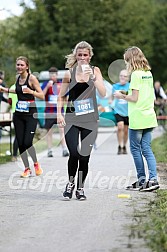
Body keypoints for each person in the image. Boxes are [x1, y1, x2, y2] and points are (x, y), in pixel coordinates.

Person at [57, 41, 106, 200]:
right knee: (74, 153)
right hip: (71, 118)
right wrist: (59, 114)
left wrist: (94, 78)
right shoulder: (69, 73)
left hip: (90, 120)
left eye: (85, 55)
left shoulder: (95, 70)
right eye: (80, 55)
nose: (83, 58)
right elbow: (61, 96)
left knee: (85, 156)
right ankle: (70, 183)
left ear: (90, 56)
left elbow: (103, 93)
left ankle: (80, 188)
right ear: (76, 56)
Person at [114, 46, 159, 192]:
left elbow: (134, 98)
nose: (126, 64)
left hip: (138, 117)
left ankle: (141, 180)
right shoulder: (148, 73)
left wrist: (121, 96)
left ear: (130, 60)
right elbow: (145, 94)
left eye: (127, 60)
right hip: (149, 116)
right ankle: (153, 179)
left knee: (135, 149)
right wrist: (126, 92)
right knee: (147, 148)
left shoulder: (135, 75)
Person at [0, 56, 44, 178]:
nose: (19, 67)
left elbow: (41, 95)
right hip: (18, 114)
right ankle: (26, 168)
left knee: (27, 142)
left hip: (31, 114)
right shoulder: (18, 78)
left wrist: (32, 92)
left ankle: (35, 163)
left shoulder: (32, 79)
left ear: (27, 66)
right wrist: (5, 89)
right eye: (18, 65)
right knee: (20, 142)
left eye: (21, 65)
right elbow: (18, 91)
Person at [41, 67, 69, 157]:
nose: (52, 76)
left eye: (54, 74)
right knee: (49, 131)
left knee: (62, 130)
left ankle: (64, 149)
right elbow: (41, 95)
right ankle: (50, 150)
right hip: (49, 111)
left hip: (59, 111)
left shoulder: (61, 84)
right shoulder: (46, 83)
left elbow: (66, 96)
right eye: (50, 75)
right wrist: (47, 87)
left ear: (57, 75)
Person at [111, 69, 130, 154]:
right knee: (120, 127)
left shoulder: (130, 86)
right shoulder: (115, 86)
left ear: (128, 78)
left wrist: (122, 95)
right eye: (121, 76)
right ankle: (120, 145)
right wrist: (110, 101)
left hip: (128, 111)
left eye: (125, 76)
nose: (122, 77)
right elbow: (112, 97)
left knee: (126, 130)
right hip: (118, 110)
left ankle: (125, 145)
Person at [8, 82, 19, 161]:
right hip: (24, 112)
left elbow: (10, 101)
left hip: (15, 112)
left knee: (18, 135)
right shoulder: (27, 86)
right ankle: (16, 155)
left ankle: (14, 155)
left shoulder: (12, 87)